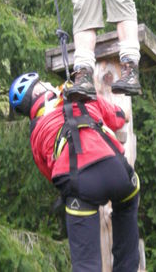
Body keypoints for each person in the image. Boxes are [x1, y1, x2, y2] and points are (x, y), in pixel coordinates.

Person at [9, 72, 140, 272]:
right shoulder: (81, 98)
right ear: (37, 91)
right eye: (42, 83)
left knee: (86, 267)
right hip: (116, 171)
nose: (48, 83)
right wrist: (122, 114)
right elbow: (118, 117)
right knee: (128, 200)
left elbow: (50, 172)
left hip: (80, 184)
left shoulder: (36, 133)